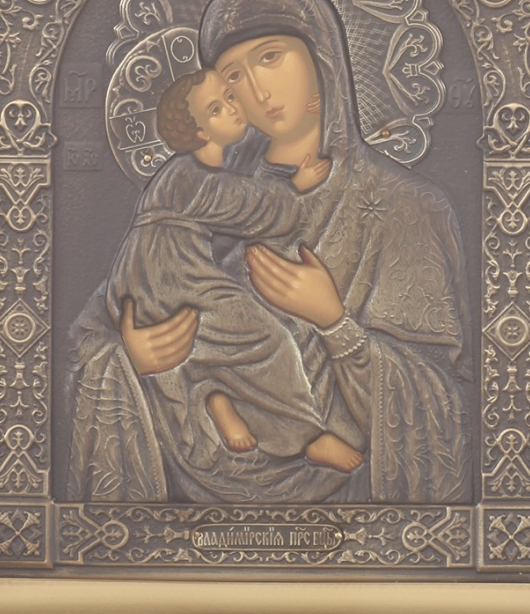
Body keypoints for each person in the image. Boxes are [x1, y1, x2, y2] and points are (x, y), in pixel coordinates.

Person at [68, 0, 472, 505]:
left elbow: (442, 402)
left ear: (322, 60)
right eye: (233, 74)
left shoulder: (407, 206)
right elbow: (91, 340)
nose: (257, 90)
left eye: (271, 58)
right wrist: (132, 360)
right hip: (189, 486)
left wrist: (333, 322)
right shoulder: (204, 188)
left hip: (348, 514)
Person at [105, 66, 363, 474]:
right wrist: (295, 189)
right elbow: (253, 207)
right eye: (216, 108)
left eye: (229, 96)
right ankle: (307, 437)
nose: (233, 106)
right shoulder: (188, 177)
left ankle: (217, 399)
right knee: (269, 338)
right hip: (171, 279)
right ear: (200, 132)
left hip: (158, 276)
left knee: (215, 345)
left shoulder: (192, 173)